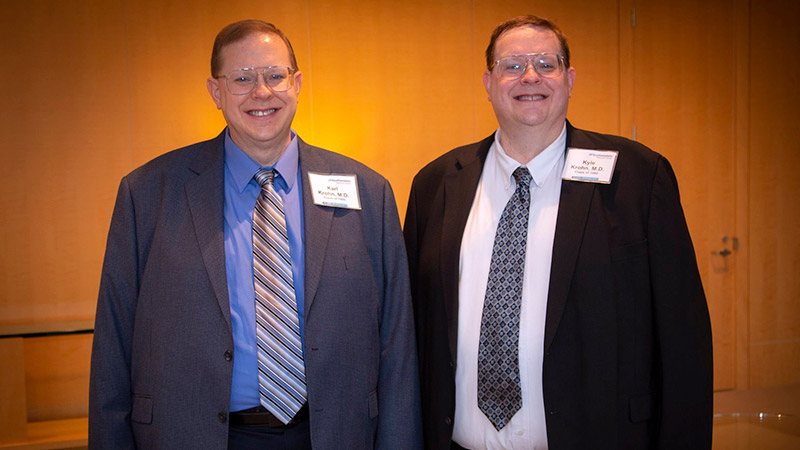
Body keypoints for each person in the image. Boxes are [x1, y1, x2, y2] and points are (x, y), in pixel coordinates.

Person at [90, 19, 421, 449]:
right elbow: (113, 344)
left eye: (275, 76)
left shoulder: (368, 192)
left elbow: (396, 343)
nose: (261, 92)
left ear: (297, 83)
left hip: (336, 433)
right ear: (216, 92)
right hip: (193, 435)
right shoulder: (148, 193)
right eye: (242, 79)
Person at [404, 15, 712, 449]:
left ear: (569, 79)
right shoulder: (435, 184)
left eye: (546, 64)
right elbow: (412, 330)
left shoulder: (639, 178)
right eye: (512, 66)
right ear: (488, 82)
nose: (530, 76)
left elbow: (683, 341)